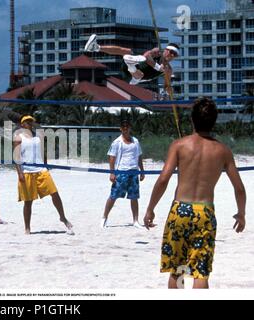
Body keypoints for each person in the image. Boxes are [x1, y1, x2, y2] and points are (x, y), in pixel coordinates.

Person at [144, 98, 246, 289]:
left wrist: (150, 208)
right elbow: (239, 188)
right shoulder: (223, 151)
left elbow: (163, 180)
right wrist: (241, 214)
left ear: (192, 120)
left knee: (178, 269)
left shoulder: (179, 145)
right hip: (204, 213)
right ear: (214, 121)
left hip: (180, 209)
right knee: (201, 272)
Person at [13, 115, 74, 235]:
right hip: (27, 171)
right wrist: (19, 173)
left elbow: (43, 151)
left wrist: (46, 165)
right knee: (28, 201)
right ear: (22, 125)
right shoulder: (18, 138)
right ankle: (27, 228)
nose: (29, 123)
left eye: (31, 121)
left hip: (41, 170)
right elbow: (16, 157)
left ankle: (63, 217)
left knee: (55, 193)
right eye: (27, 122)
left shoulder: (38, 136)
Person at [84, 33, 179, 86]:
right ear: (166, 49)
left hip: (132, 79)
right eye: (170, 52)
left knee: (140, 74)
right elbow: (146, 56)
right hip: (127, 68)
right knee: (127, 51)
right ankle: (96, 47)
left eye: (174, 55)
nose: (171, 55)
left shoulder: (169, 70)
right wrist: (158, 67)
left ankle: (131, 65)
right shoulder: (157, 52)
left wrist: (168, 91)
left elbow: (167, 85)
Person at [102, 119, 145, 229]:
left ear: (130, 128)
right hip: (121, 172)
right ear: (121, 128)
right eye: (123, 126)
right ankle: (104, 218)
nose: (125, 128)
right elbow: (112, 158)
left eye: (127, 126)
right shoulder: (117, 142)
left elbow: (139, 156)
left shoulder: (135, 141)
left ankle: (135, 221)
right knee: (113, 196)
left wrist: (142, 170)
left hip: (133, 172)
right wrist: (112, 173)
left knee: (134, 197)